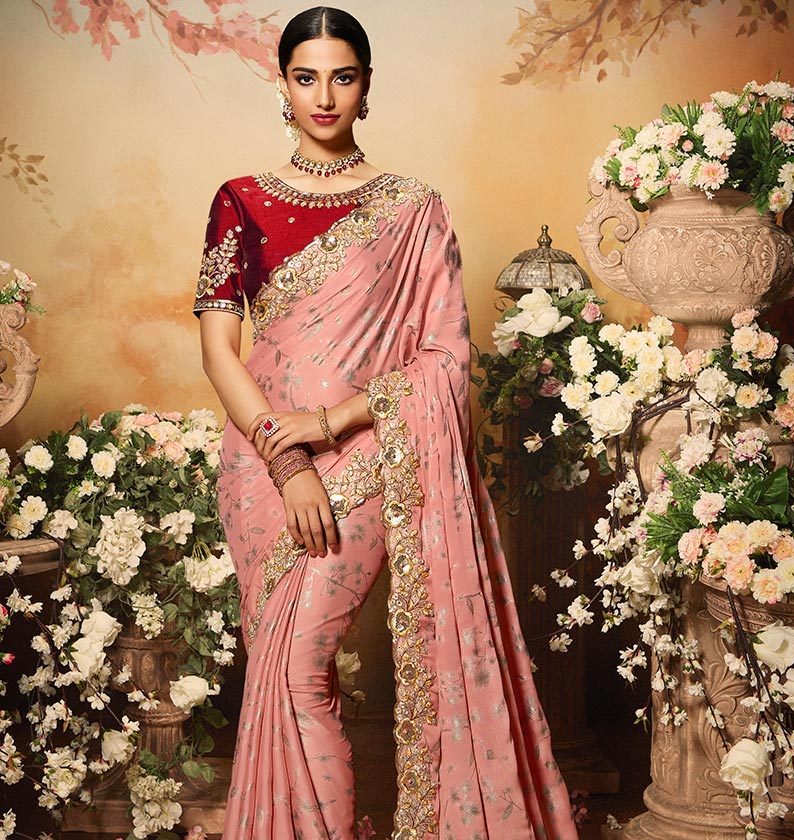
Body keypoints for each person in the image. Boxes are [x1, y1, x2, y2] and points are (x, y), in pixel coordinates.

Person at [194, 6, 578, 839]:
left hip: (368, 451)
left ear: (366, 86)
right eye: (306, 78)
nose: (324, 96)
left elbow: (446, 357)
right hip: (260, 464)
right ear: (283, 85)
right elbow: (220, 350)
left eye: (342, 76)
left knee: (301, 666)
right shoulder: (241, 201)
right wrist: (286, 459)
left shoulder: (414, 208)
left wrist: (327, 424)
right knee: (279, 671)